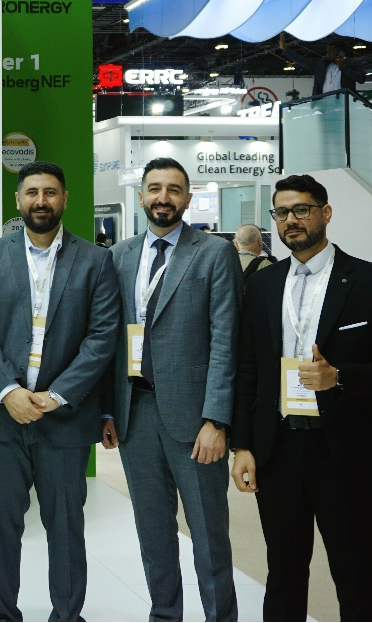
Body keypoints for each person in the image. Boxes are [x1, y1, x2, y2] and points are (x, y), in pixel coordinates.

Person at [231, 174, 372, 621]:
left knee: (355, 573)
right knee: (283, 572)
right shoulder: (262, 286)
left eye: (301, 209)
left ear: (325, 213)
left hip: (345, 450)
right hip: (279, 450)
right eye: (281, 212)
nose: (291, 220)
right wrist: (243, 445)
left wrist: (340, 377)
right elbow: (248, 370)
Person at [0, 162, 119, 623]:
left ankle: (67, 616)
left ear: (65, 199)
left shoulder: (95, 260)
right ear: (18, 200)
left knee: (66, 528)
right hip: (1, 418)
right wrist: (7, 390)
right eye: (31, 192)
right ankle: (1, 616)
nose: (40, 200)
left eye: (50, 192)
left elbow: (102, 338)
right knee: (1, 528)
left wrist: (56, 396)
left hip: (65, 419)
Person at [102, 157, 242, 622]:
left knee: (208, 535)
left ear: (187, 197)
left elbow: (226, 339)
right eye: (155, 188)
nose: (164, 197)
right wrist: (108, 410)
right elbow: (110, 339)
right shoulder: (119, 256)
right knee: (153, 532)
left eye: (174, 189)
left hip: (195, 420)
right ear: (142, 194)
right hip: (135, 414)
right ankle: (165, 614)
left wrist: (216, 419)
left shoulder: (214, 253)